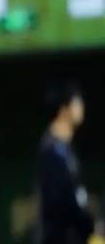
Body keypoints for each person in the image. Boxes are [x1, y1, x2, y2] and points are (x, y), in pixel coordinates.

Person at [36, 81, 94, 244]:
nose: (81, 107)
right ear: (63, 110)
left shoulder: (66, 149)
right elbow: (61, 205)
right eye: (77, 102)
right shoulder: (52, 151)